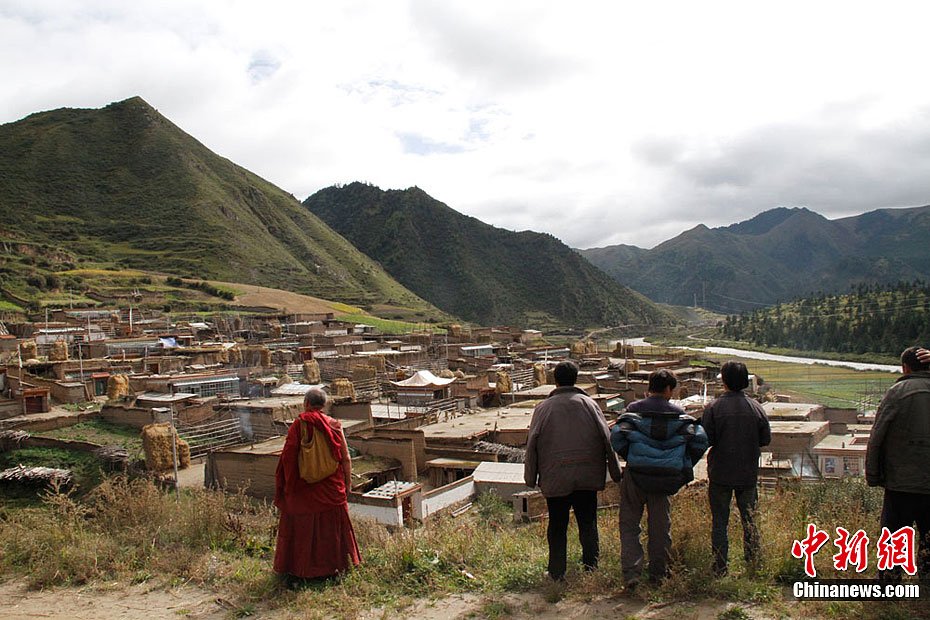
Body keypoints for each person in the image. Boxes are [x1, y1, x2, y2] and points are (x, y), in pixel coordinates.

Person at [524, 360, 622, 581]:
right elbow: (607, 439)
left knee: (557, 525)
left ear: (555, 380)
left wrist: (530, 478)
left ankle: (557, 573)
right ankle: (591, 568)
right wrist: (616, 473)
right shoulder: (589, 404)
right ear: (575, 379)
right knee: (588, 523)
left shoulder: (543, 409)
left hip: (555, 478)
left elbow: (532, 445)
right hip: (587, 477)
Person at [612, 369, 708, 587]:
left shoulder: (633, 411)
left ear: (649, 388)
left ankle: (632, 573)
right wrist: (683, 463)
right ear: (668, 390)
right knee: (660, 527)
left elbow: (617, 436)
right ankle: (658, 574)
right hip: (665, 478)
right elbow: (700, 441)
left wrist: (631, 455)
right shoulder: (679, 416)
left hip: (636, 475)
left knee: (629, 525)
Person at [273, 387, 361, 582]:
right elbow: (345, 458)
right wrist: (347, 483)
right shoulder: (334, 425)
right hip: (331, 487)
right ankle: (337, 568)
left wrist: (288, 483)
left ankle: (301, 571)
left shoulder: (299, 425)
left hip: (303, 489)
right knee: (332, 528)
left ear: (306, 404)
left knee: (303, 528)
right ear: (324, 405)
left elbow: (288, 457)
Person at [866, 346, 930, 582]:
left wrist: (873, 475)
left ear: (905, 367)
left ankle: (889, 584)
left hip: (900, 482)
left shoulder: (898, 391)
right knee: (929, 538)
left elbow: (877, 437)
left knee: (893, 536)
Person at [701, 361, 771, 576]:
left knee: (720, 522)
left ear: (724, 381)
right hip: (747, 474)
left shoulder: (713, 407)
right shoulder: (755, 407)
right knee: (750, 520)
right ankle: (753, 565)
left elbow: (706, 439)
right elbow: (765, 439)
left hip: (720, 473)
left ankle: (720, 568)